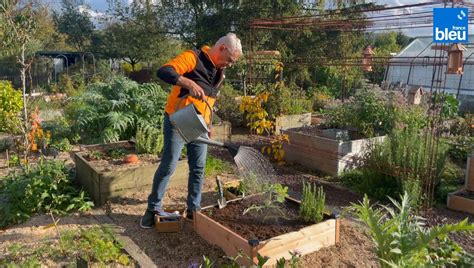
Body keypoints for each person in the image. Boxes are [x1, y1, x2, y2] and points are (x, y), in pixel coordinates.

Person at [140, 33, 243, 228]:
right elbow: (164, 71)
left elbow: (210, 101)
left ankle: (193, 210)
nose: (229, 65)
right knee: (168, 166)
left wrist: (209, 123)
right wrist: (187, 82)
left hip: (199, 125)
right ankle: (152, 209)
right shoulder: (193, 58)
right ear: (221, 48)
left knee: (198, 168)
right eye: (229, 60)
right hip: (178, 121)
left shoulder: (219, 74)